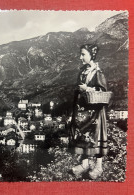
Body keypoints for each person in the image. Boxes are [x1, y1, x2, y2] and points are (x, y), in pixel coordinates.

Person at [69, 44, 108, 180]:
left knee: (95, 137)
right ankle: (84, 164)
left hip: (95, 111)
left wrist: (87, 89)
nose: (80, 57)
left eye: (83, 54)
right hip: (83, 110)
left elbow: (103, 91)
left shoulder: (98, 72)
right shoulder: (83, 71)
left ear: (92, 55)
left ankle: (98, 167)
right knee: (83, 136)